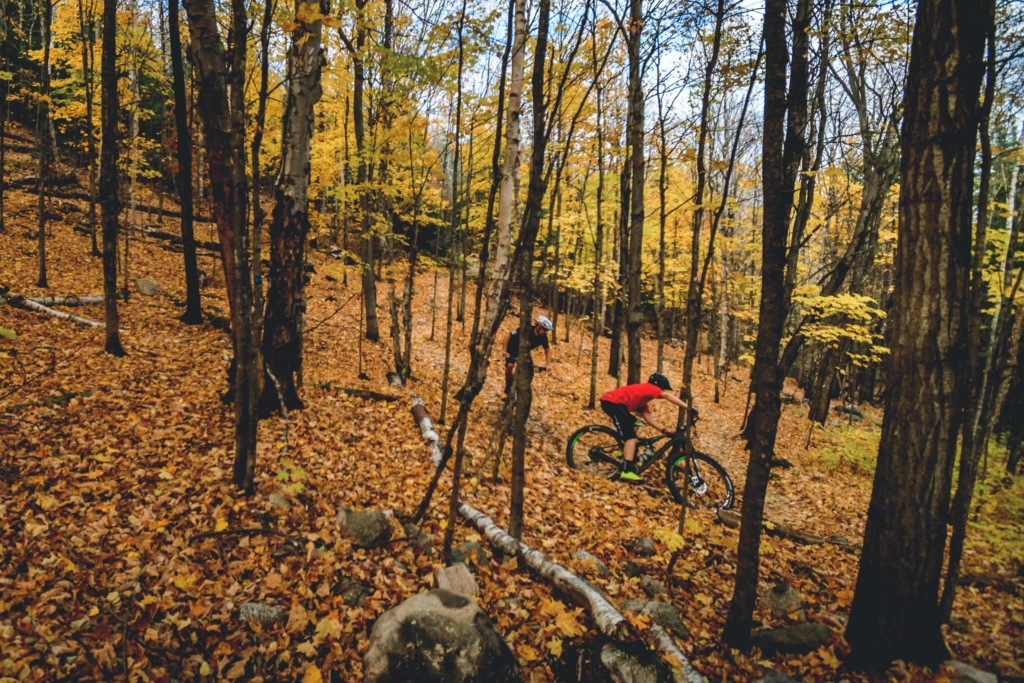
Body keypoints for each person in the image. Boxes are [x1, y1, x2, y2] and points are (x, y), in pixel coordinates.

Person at [600, 372, 689, 482]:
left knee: (634, 423)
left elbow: (648, 419)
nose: (663, 392)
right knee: (631, 438)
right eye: (663, 389)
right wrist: (687, 407)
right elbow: (666, 396)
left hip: (613, 402)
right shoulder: (650, 387)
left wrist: (664, 430)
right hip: (613, 403)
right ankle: (626, 471)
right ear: (658, 386)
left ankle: (623, 449)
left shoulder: (642, 399)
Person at [504, 316, 553, 395]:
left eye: (547, 330)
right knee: (510, 365)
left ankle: (523, 390)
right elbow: (508, 336)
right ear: (538, 327)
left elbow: (547, 350)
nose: (545, 332)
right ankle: (508, 386)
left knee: (530, 372)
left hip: (524, 351)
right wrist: (504, 351)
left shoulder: (543, 337)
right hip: (512, 347)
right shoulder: (526, 330)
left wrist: (548, 364)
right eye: (544, 329)